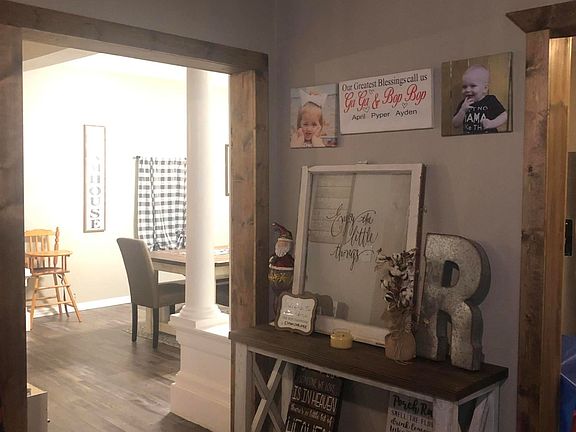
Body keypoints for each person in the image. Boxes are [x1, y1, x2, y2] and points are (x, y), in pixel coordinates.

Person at [452, 64, 508, 134]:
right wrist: (462, 111)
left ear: (485, 88)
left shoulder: (490, 100)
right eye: (464, 87)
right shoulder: (463, 104)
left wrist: (491, 123)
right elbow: (455, 124)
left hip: (490, 138)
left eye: (473, 86)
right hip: (469, 139)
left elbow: (504, 116)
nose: (467, 90)